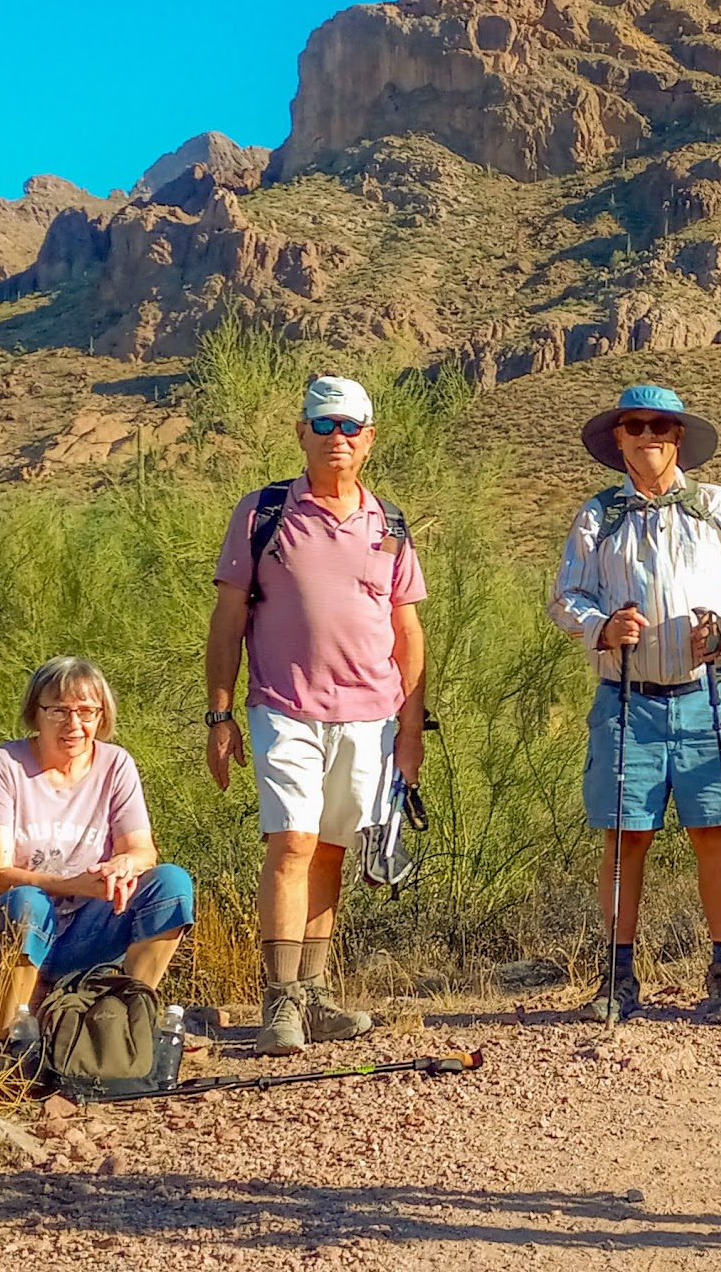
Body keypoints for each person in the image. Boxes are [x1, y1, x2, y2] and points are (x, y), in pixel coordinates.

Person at [206, 374, 429, 1058]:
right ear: (301, 432)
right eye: (323, 425)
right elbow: (227, 616)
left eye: (350, 427)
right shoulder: (263, 512)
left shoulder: (388, 524)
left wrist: (412, 728)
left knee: (331, 847)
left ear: (369, 439)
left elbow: (407, 629)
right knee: (292, 843)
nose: (337, 438)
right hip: (285, 706)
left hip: (368, 715)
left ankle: (313, 992)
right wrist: (218, 713)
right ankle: (277, 1002)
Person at [549, 384, 721, 1026]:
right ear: (618, 438)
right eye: (635, 425)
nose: (649, 436)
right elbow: (567, 596)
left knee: (714, 834)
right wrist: (602, 627)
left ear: (679, 438)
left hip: (708, 694)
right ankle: (617, 978)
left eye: (662, 426)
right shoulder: (598, 515)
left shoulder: (718, 505)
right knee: (626, 838)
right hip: (628, 699)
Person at [0, 657, 195, 1042]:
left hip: (78, 932)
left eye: (86, 712)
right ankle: (9, 1042)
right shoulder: (3, 766)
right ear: (36, 712)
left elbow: (143, 850)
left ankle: (128, 1026)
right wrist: (76, 884)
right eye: (59, 711)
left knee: (170, 884)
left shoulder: (116, 764)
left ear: (102, 716)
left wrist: (122, 865)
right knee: (28, 902)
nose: (74, 725)